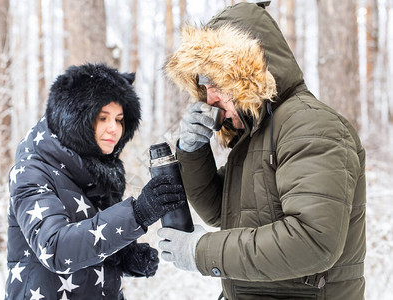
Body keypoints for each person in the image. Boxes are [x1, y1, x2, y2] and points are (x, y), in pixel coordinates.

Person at [157, 2, 366, 300]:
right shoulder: (258, 133)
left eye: (218, 81)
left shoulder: (310, 125)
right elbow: (221, 212)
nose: (210, 97)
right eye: (204, 84)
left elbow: (313, 241)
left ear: (248, 73)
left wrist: (201, 251)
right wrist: (192, 151)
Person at [5, 63, 187, 300]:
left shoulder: (97, 170)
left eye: (120, 119)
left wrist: (123, 257)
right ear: (75, 118)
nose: (114, 128)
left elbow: (90, 237)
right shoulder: (32, 170)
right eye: (103, 118)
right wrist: (138, 214)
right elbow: (55, 248)